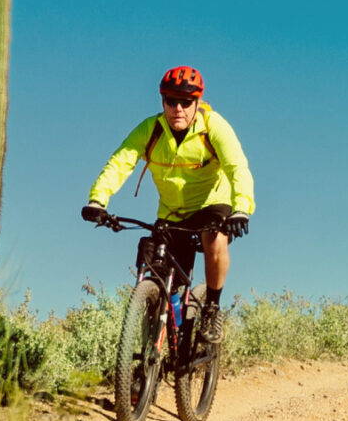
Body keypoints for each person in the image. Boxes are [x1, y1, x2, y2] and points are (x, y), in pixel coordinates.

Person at [82, 66, 255, 351]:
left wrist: (241, 209)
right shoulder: (150, 130)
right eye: (171, 101)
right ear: (162, 102)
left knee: (215, 239)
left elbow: (238, 168)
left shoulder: (214, 127)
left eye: (186, 103)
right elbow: (120, 163)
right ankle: (152, 352)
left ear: (197, 103)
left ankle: (211, 308)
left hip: (213, 204)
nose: (178, 108)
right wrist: (98, 200)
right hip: (173, 213)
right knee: (158, 274)